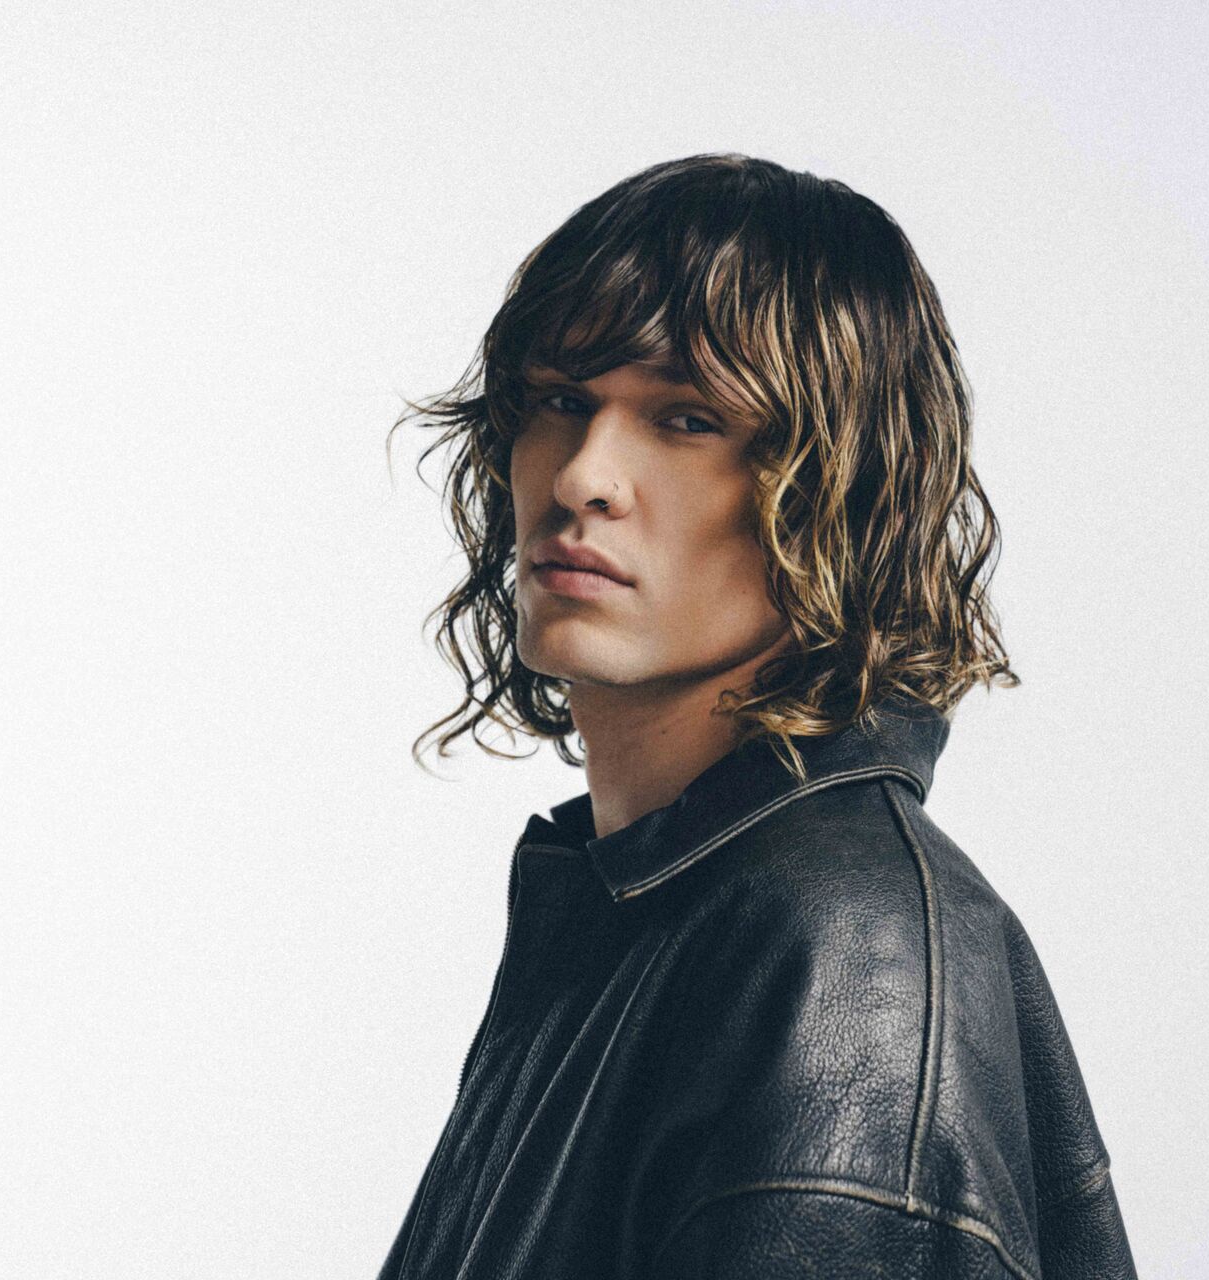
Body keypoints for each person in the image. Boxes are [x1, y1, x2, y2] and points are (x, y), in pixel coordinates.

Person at [378, 153, 1136, 1280]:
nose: (583, 476)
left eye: (686, 419)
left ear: (844, 490)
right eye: (562, 402)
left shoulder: (838, 959)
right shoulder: (650, 902)